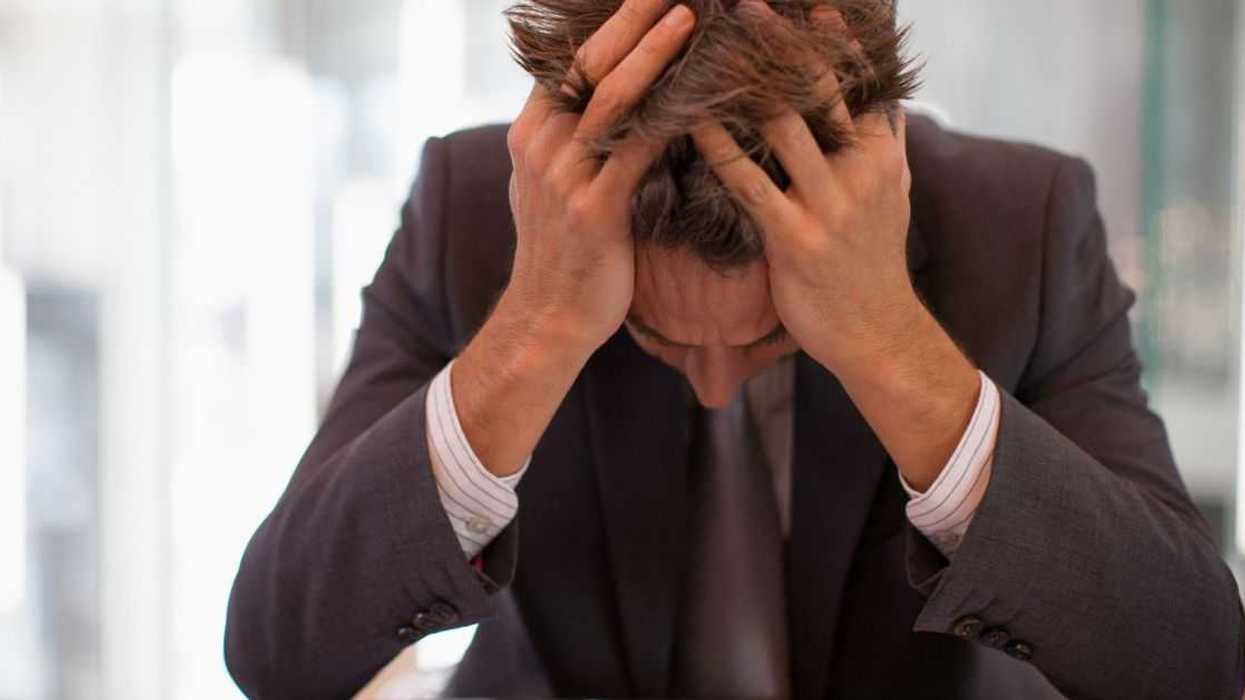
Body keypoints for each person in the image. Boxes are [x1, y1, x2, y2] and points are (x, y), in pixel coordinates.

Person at [223, 1, 1245, 697]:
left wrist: (890, 346)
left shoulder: (1024, 227)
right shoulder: (472, 218)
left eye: (767, 340)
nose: (713, 383)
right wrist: (537, 327)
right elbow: (276, 648)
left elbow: (1197, 656)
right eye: (655, 334)